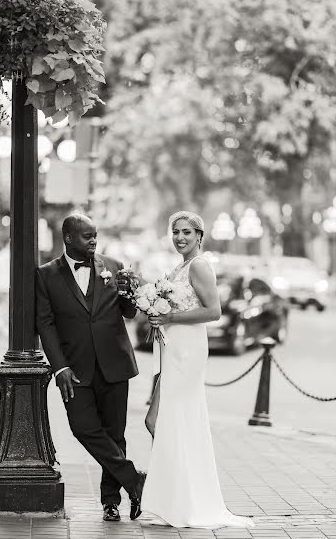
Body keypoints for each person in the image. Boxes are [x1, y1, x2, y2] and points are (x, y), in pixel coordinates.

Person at [141, 211, 255, 530]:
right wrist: (157, 313)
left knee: (172, 419)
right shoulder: (178, 267)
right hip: (173, 347)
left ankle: (183, 504)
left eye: (187, 232)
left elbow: (213, 311)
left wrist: (169, 318)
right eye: (175, 231)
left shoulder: (200, 265)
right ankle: (174, 501)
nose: (180, 237)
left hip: (188, 351)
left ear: (199, 236)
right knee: (170, 422)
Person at [35, 214, 145, 523]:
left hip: (115, 363)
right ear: (68, 238)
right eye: (87, 236)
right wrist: (59, 368)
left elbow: (129, 312)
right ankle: (134, 480)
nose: (93, 241)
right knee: (83, 428)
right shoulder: (46, 275)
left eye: (95, 235)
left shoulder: (113, 265)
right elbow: (45, 324)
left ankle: (111, 502)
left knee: (115, 434)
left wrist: (130, 293)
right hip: (75, 369)